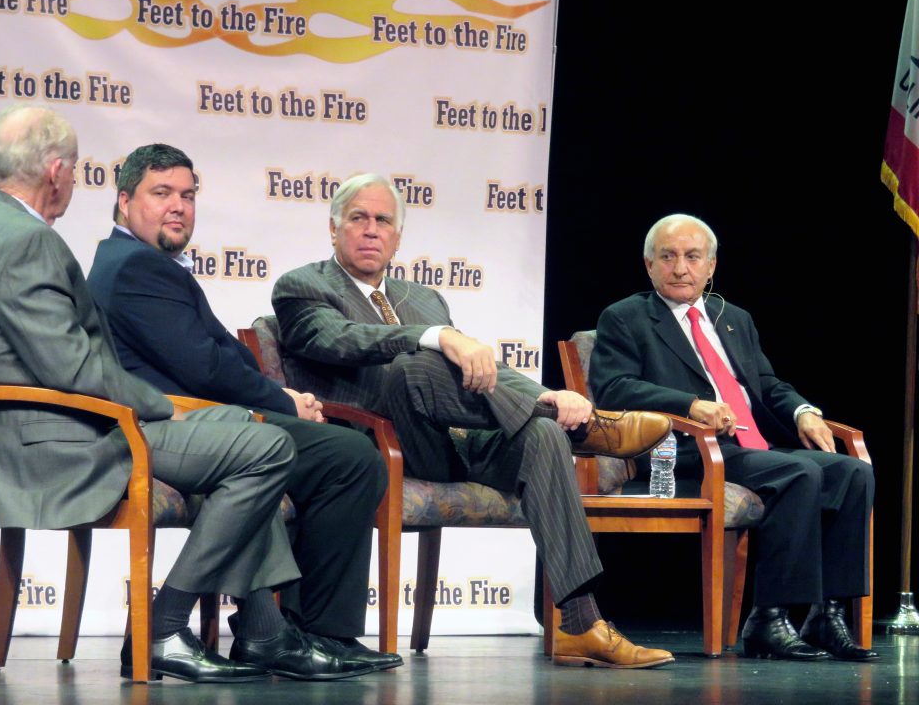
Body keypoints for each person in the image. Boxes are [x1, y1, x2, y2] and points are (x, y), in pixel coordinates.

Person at [0, 105, 371, 683]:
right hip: (59, 438)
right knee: (267, 447)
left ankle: (263, 633)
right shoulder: (31, 243)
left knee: (239, 434)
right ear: (56, 171)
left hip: (14, 425)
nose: (75, 182)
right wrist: (164, 405)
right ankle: (162, 625)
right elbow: (71, 368)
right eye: (75, 171)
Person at [272, 173, 675, 669]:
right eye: (359, 218)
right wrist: (436, 335)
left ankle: (580, 622)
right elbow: (340, 340)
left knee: (543, 434)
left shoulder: (423, 298)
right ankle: (592, 433)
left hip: (451, 440)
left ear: (398, 237)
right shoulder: (302, 286)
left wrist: (544, 394)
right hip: (377, 445)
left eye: (383, 221)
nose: (371, 230)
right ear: (334, 230)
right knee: (412, 361)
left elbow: (477, 372)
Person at [86, 143, 397, 677]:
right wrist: (283, 401)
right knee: (350, 458)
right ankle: (313, 631)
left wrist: (283, 399)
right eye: (161, 194)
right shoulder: (135, 266)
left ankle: (269, 633)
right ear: (123, 200)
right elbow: (203, 366)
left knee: (301, 456)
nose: (178, 206)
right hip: (177, 424)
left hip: (206, 421)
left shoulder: (148, 263)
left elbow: (219, 353)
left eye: (187, 195)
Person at [590, 213, 877, 662]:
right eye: (667, 257)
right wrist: (690, 405)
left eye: (691, 257)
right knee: (799, 471)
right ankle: (769, 617)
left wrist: (803, 411)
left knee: (853, 472)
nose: (680, 268)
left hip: (749, 447)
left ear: (711, 266)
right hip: (685, 451)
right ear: (649, 265)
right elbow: (613, 388)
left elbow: (765, 383)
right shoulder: (626, 318)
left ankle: (828, 612)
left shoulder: (734, 319)